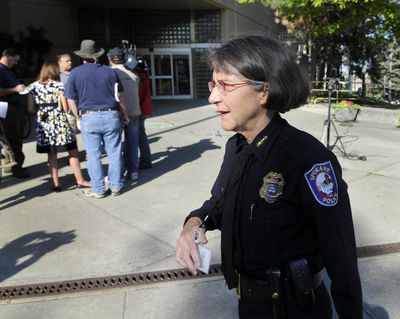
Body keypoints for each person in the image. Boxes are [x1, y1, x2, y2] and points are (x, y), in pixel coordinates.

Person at [176, 35, 362, 319]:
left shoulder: (308, 159)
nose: (213, 97)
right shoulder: (236, 146)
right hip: (250, 306)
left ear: (264, 91)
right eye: (214, 85)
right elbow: (220, 202)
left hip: (297, 311)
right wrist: (193, 223)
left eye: (225, 86)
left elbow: (342, 257)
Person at [65, 39, 129, 198]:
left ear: (82, 56)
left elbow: (70, 99)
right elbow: (119, 96)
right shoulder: (110, 71)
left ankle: (98, 189)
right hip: (110, 115)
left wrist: (77, 115)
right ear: (97, 55)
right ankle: (116, 186)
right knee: (114, 153)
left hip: (88, 116)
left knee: (93, 155)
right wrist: (125, 114)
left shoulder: (75, 73)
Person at [26, 62, 90, 192]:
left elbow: (30, 109)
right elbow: (65, 108)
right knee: (72, 152)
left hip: (44, 124)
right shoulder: (60, 86)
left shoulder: (32, 87)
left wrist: (43, 109)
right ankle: (80, 180)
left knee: (52, 155)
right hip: (59, 123)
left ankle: (56, 184)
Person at [108, 47, 141, 181]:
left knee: (115, 146)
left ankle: (118, 173)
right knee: (132, 143)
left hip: (118, 112)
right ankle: (133, 171)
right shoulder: (133, 74)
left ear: (110, 59)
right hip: (134, 111)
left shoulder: (110, 74)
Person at [0, 48, 29, 178]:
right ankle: (16, 167)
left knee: (12, 137)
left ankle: (11, 165)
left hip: (12, 107)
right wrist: (15, 89)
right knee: (14, 138)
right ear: (7, 56)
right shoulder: (1, 70)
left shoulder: (7, 70)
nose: (16, 63)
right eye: (15, 60)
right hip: (7, 108)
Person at [136, 57, 152, 170]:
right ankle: (145, 160)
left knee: (140, 137)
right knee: (141, 136)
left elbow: (138, 96)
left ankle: (145, 161)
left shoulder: (140, 78)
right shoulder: (145, 76)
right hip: (142, 110)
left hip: (138, 110)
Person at [57, 53, 78, 135]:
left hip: (77, 107)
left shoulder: (75, 73)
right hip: (63, 110)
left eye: (70, 61)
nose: (70, 62)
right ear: (59, 63)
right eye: (67, 61)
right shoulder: (56, 75)